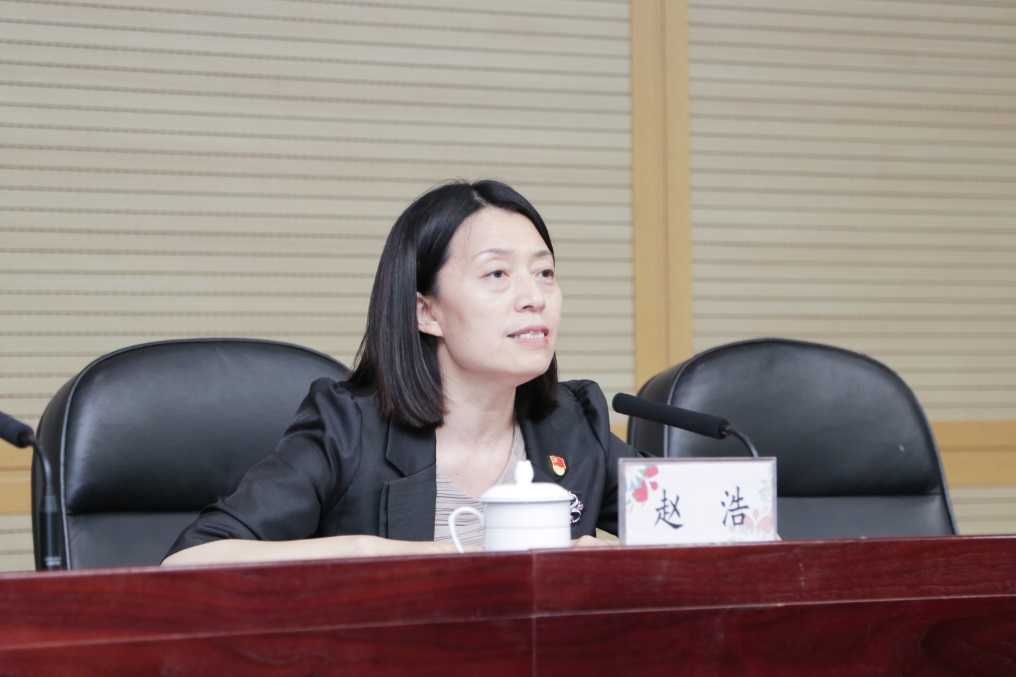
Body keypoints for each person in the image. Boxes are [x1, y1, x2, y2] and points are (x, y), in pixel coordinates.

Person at [162, 179, 639, 566]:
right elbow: (190, 561)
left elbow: (682, 531)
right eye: (497, 274)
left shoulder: (575, 427)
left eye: (545, 273)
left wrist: (617, 562)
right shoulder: (348, 431)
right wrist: (374, 554)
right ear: (426, 312)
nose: (534, 297)